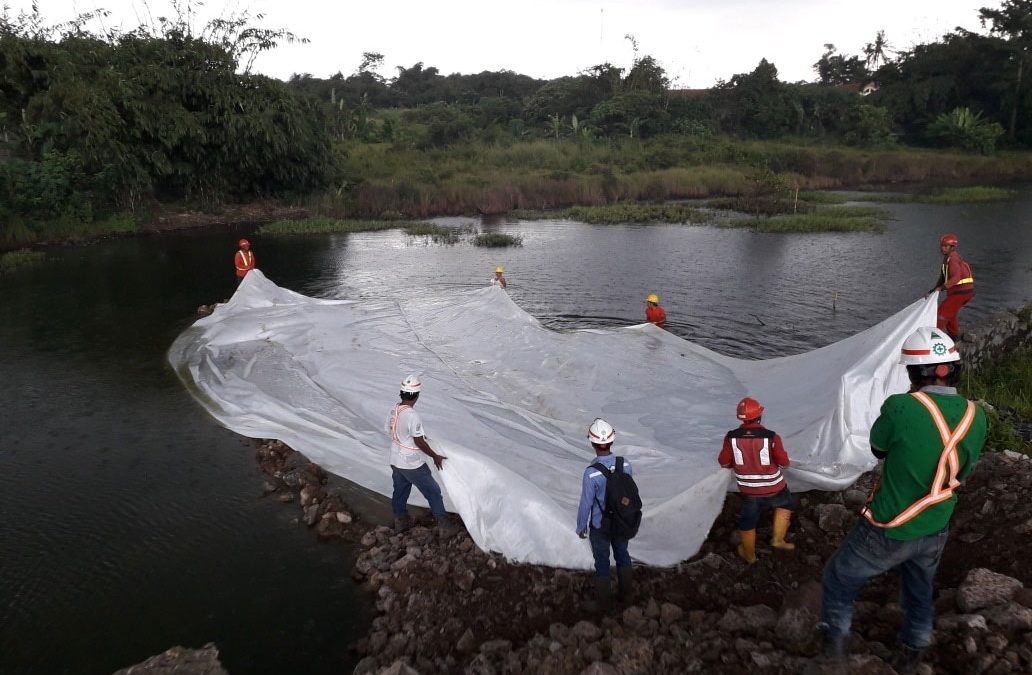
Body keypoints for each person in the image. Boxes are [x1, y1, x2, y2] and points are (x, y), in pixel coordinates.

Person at [817, 327, 986, 673]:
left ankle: (833, 657)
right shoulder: (975, 414)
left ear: (915, 373)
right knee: (919, 587)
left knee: (839, 576)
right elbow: (963, 469)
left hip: (889, 525)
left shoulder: (901, 407)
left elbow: (878, 448)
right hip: (937, 524)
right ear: (952, 368)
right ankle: (913, 652)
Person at [718, 397, 796, 564]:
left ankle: (749, 555)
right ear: (760, 415)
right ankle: (778, 540)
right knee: (785, 505)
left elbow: (724, 462)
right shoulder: (772, 437)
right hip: (775, 488)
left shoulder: (731, 438)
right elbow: (784, 463)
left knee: (748, 521)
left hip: (749, 491)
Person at [385, 374, 458, 539]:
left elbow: (389, 430)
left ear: (402, 393)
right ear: (417, 395)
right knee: (433, 491)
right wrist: (435, 456)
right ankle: (444, 526)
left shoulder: (394, 409)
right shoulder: (412, 415)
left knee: (400, 490)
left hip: (395, 460)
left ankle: (400, 522)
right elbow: (418, 441)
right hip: (411, 463)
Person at [576, 418, 634, 612]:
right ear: (611, 441)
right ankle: (627, 596)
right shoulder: (625, 465)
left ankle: (604, 605)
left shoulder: (591, 473)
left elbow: (586, 503)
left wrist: (581, 526)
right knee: (623, 554)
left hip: (601, 526)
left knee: (602, 561)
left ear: (592, 444)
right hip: (622, 522)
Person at [928, 233, 974, 339]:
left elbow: (956, 278)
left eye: (945, 246)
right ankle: (954, 335)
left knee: (941, 314)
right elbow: (943, 277)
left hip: (960, 293)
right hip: (963, 292)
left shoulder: (952, 259)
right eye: (941, 246)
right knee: (950, 313)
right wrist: (934, 290)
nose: (942, 248)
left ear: (952, 247)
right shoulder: (947, 258)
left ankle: (932, 339)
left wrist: (942, 288)